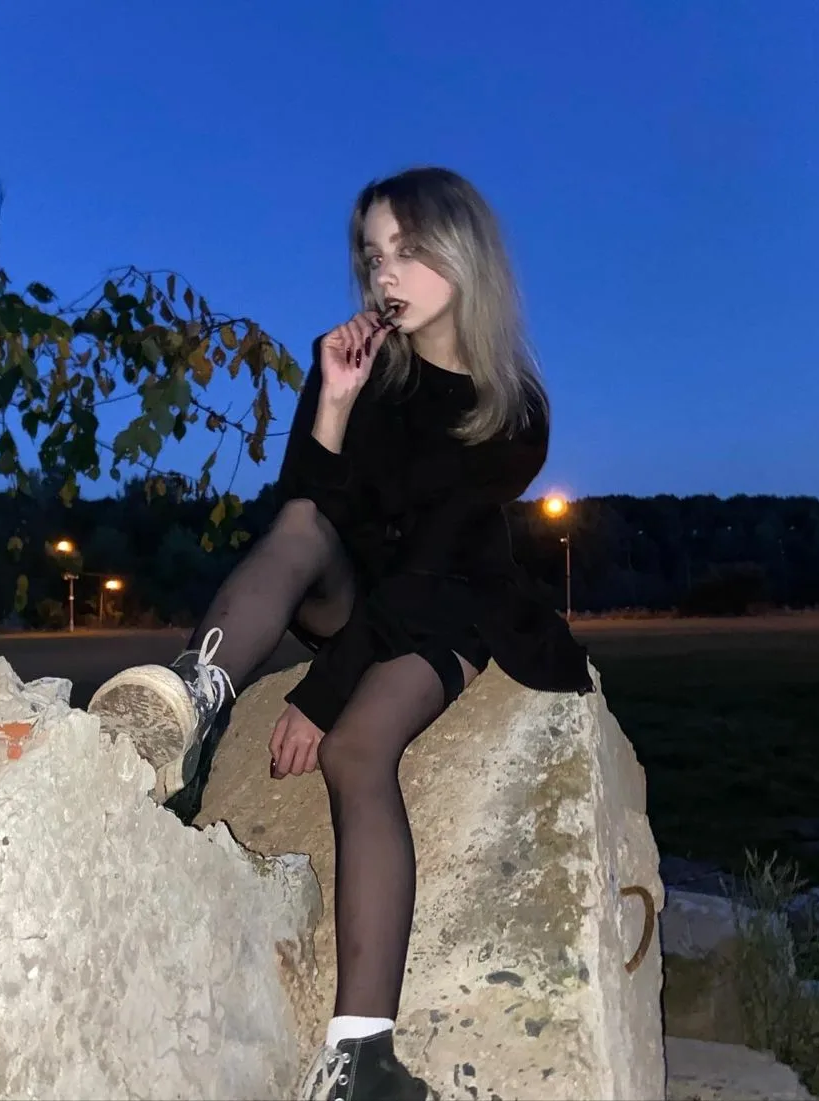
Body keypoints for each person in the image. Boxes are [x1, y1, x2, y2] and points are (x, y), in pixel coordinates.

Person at [86, 166, 593, 1101]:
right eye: (372, 255)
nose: (384, 273)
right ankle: (194, 696)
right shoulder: (364, 368)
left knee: (357, 749)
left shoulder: (512, 407)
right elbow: (304, 511)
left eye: (407, 248)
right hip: (355, 588)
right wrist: (331, 401)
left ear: (463, 253)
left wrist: (323, 694)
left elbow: (427, 569)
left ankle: (359, 1060)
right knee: (300, 524)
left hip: (449, 606)